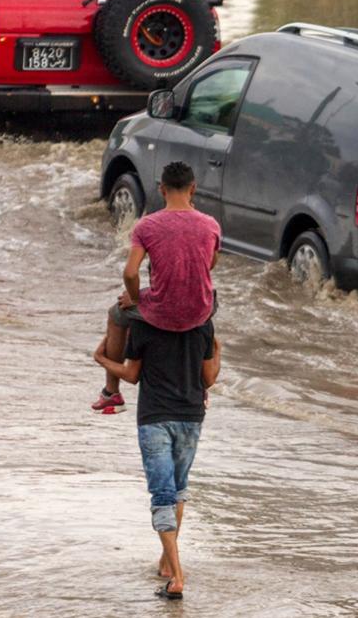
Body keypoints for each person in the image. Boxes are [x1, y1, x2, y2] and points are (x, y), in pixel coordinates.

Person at [94, 318, 222, 600]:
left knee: (162, 495)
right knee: (177, 489)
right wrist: (218, 349)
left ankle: (177, 577)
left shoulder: (144, 325)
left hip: (155, 418)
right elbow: (209, 379)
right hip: (191, 418)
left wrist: (102, 359)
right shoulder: (202, 324)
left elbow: (131, 374)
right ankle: (166, 563)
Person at [93, 162, 221, 414]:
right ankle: (199, 384)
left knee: (116, 314)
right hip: (200, 310)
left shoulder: (146, 226)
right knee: (208, 307)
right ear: (192, 189)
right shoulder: (210, 225)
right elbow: (210, 264)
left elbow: (130, 272)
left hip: (162, 310)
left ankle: (112, 393)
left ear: (162, 190)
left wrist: (134, 298)